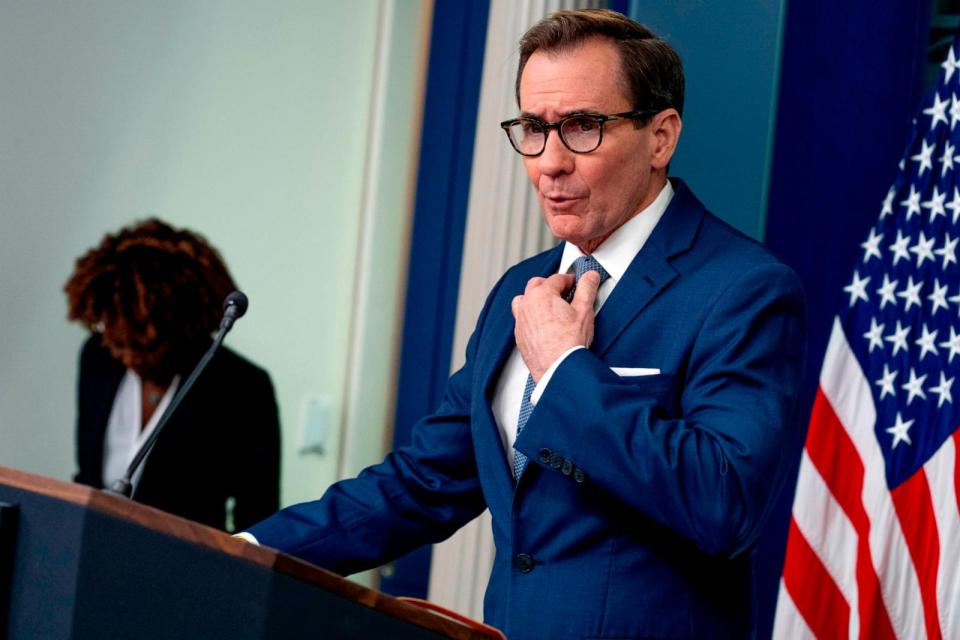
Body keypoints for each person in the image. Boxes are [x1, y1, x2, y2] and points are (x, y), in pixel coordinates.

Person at [241, 9, 806, 639]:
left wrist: (566, 370)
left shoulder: (743, 288)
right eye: (533, 129)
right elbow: (423, 483)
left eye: (582, 127)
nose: (549, 162)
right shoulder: (521, 288)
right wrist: (243, 552)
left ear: (660, 137)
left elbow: (723, 504)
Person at [65, 218, 280, 533]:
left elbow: (257, 518)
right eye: (115, 339)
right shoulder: (98, 357)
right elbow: (86, 477)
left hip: (185, 568)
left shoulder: (243, 388)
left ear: (181, 328)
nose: (123, 354)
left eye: (140, 345)